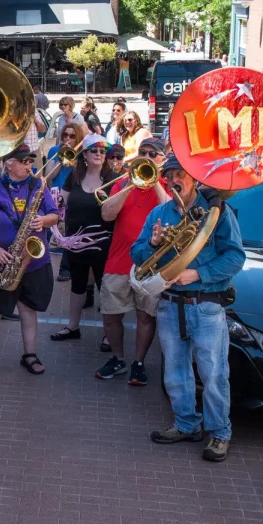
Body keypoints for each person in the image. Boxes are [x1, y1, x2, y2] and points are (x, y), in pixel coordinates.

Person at [131, 153, 245, 462]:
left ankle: (219, 433)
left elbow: (235, 257)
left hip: (205, 305)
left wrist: (197, 273)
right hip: (170, 305)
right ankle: (186, 424)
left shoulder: (216, 212)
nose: (174, 179)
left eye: (181, 173)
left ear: (194, 177)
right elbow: (137, 254)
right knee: (175, 371)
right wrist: (153, 245)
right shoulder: (159, 212)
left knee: (213, 374)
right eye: (169, 174)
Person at [0, 145, 58, 376]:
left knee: (28, 309)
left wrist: (43, 221)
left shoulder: (38, 184)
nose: (29, 165)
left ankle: (30, 354)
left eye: (30, 161)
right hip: (1, 261)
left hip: (32, 262)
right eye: (24, 161)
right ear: (8, 163)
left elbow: (55, 215)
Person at [97, 138, 168, 384]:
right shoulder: (123, 183)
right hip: (119, 260)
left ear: (162, 159)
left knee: (146, 315)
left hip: (151, 264)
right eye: (142, 153)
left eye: (153, 154)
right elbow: (107, 214)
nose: (147, 157)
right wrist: (130, 182)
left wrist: (155, 180)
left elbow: (172, 212)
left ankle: (138, 362)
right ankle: (118, 358)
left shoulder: (168, 185)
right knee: (110, 314)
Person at [51, 134, 115, 341]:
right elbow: (61, 200)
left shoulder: (113, 179)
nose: (99, 154)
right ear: (84, 154)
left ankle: (109, 333)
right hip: (75, 242)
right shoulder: (75, 176)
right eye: (94, 150)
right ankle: (73, 327)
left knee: (104, 287)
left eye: (102, 151)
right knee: (77, 285)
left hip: (102, 243)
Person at [44, 123, 84, 283]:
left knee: (70, 231)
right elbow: (48, 177)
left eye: (72, 136)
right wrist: (61, 158)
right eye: (65, 135)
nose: (67, 138)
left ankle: (66, 268)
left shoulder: (81, 154)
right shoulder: (55, 151)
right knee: (54, 231)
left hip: (73, 195)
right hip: (55, 194)